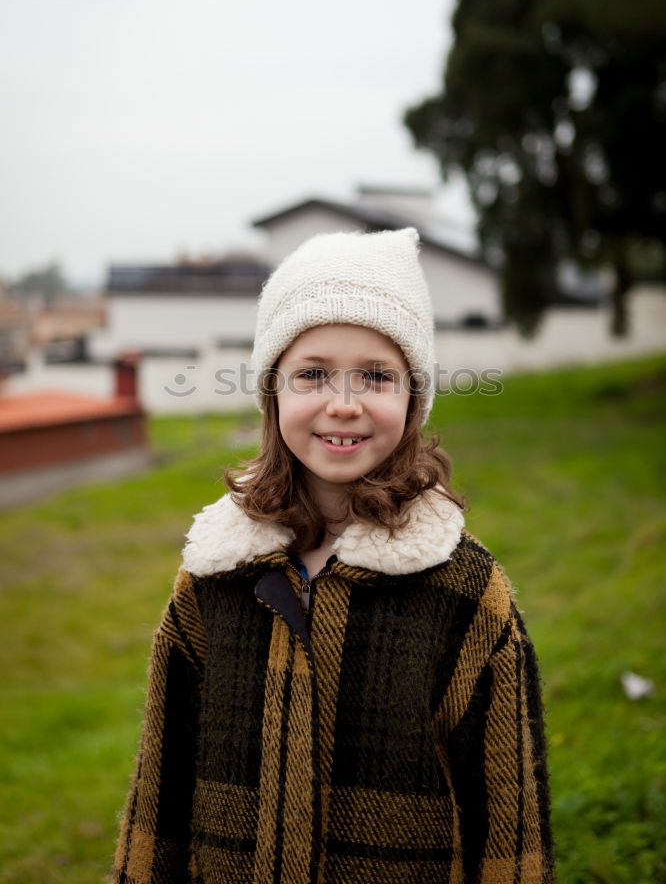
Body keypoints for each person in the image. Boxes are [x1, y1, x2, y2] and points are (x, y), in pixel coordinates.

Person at [112, 227, 554, 884]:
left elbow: (508, 814)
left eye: (375, 375)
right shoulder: (213, 579)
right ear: (273, 391)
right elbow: (161, 789)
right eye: (313, 373)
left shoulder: (464, 591)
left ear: (412, 396)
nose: (342, 405)